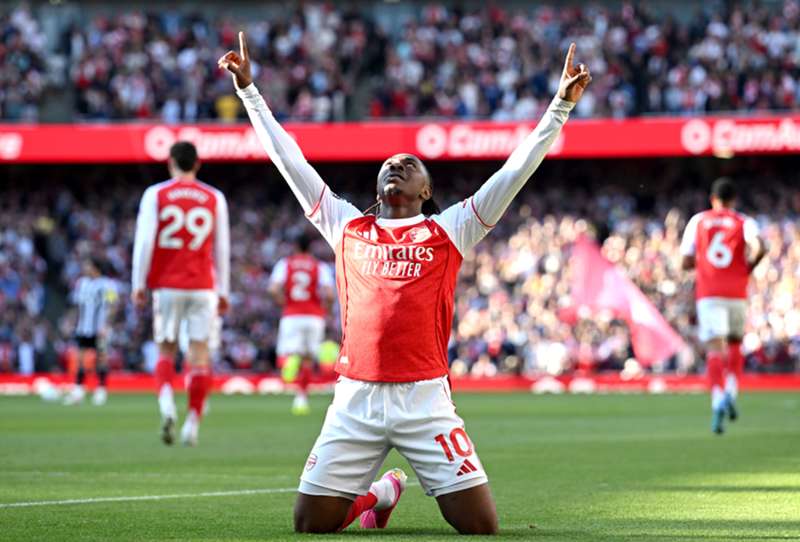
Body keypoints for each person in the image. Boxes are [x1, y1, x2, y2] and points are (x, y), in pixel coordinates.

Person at [220, 32, 590, 534]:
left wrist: (560, 107)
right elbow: (291, 162)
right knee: (310, 524)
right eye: (389, 165)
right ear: (378, 187)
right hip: (356, 398)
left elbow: (513, 172)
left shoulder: (451, 228)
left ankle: (389, 489)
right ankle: (381, 493)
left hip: (424, 399)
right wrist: (249, 91)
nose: (396, 166)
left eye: (409, 165)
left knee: (480, 527)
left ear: (426, 189)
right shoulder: (346, 225)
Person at [131, 141, 230, 446]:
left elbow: (144, 242)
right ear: (197, 164)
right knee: (199, 355)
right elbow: (222, 247)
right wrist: (223, 290)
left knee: (166, 350)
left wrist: (138, 283)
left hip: (167, 285)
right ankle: (193, 424)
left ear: (170, 163)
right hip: (203, 286)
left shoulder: (155, 194)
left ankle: (167, 406)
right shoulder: (214, 197)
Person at [680, 178, 766, 434]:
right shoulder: (743, 221)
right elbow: (762, 246)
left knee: (714, 348)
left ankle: (718, 401)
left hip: (709, 293)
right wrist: (749, 267)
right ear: (734, 200)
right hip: (736, 291)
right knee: (735, 343)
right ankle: (731, 391)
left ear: (712, 199)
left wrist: (702, 264)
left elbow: (684, 261)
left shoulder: (698, 220)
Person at [268, 232, 335, 415]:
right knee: (308, 359)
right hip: (314, 316)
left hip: (292, 314)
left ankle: (291, 359)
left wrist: (283, 301)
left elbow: (273, 289)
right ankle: (301, 399)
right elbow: (329, 294)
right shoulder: (319, 266)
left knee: (288, 353)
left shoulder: (285, 264)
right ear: (310, 247)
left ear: (295, 246)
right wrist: (326, 309)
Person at [63, 258, 117, 406]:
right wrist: (72, 322)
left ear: (95, 268)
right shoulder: (81, 283)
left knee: (101, 358)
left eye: (88, 266)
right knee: (80, 358)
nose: (85, 269)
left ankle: (101, 390)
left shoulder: (108, 284)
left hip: (100, 328)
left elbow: (113, 305)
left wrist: (107, 325)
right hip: (83, 328)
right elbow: (77, 306)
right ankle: (78, 391)